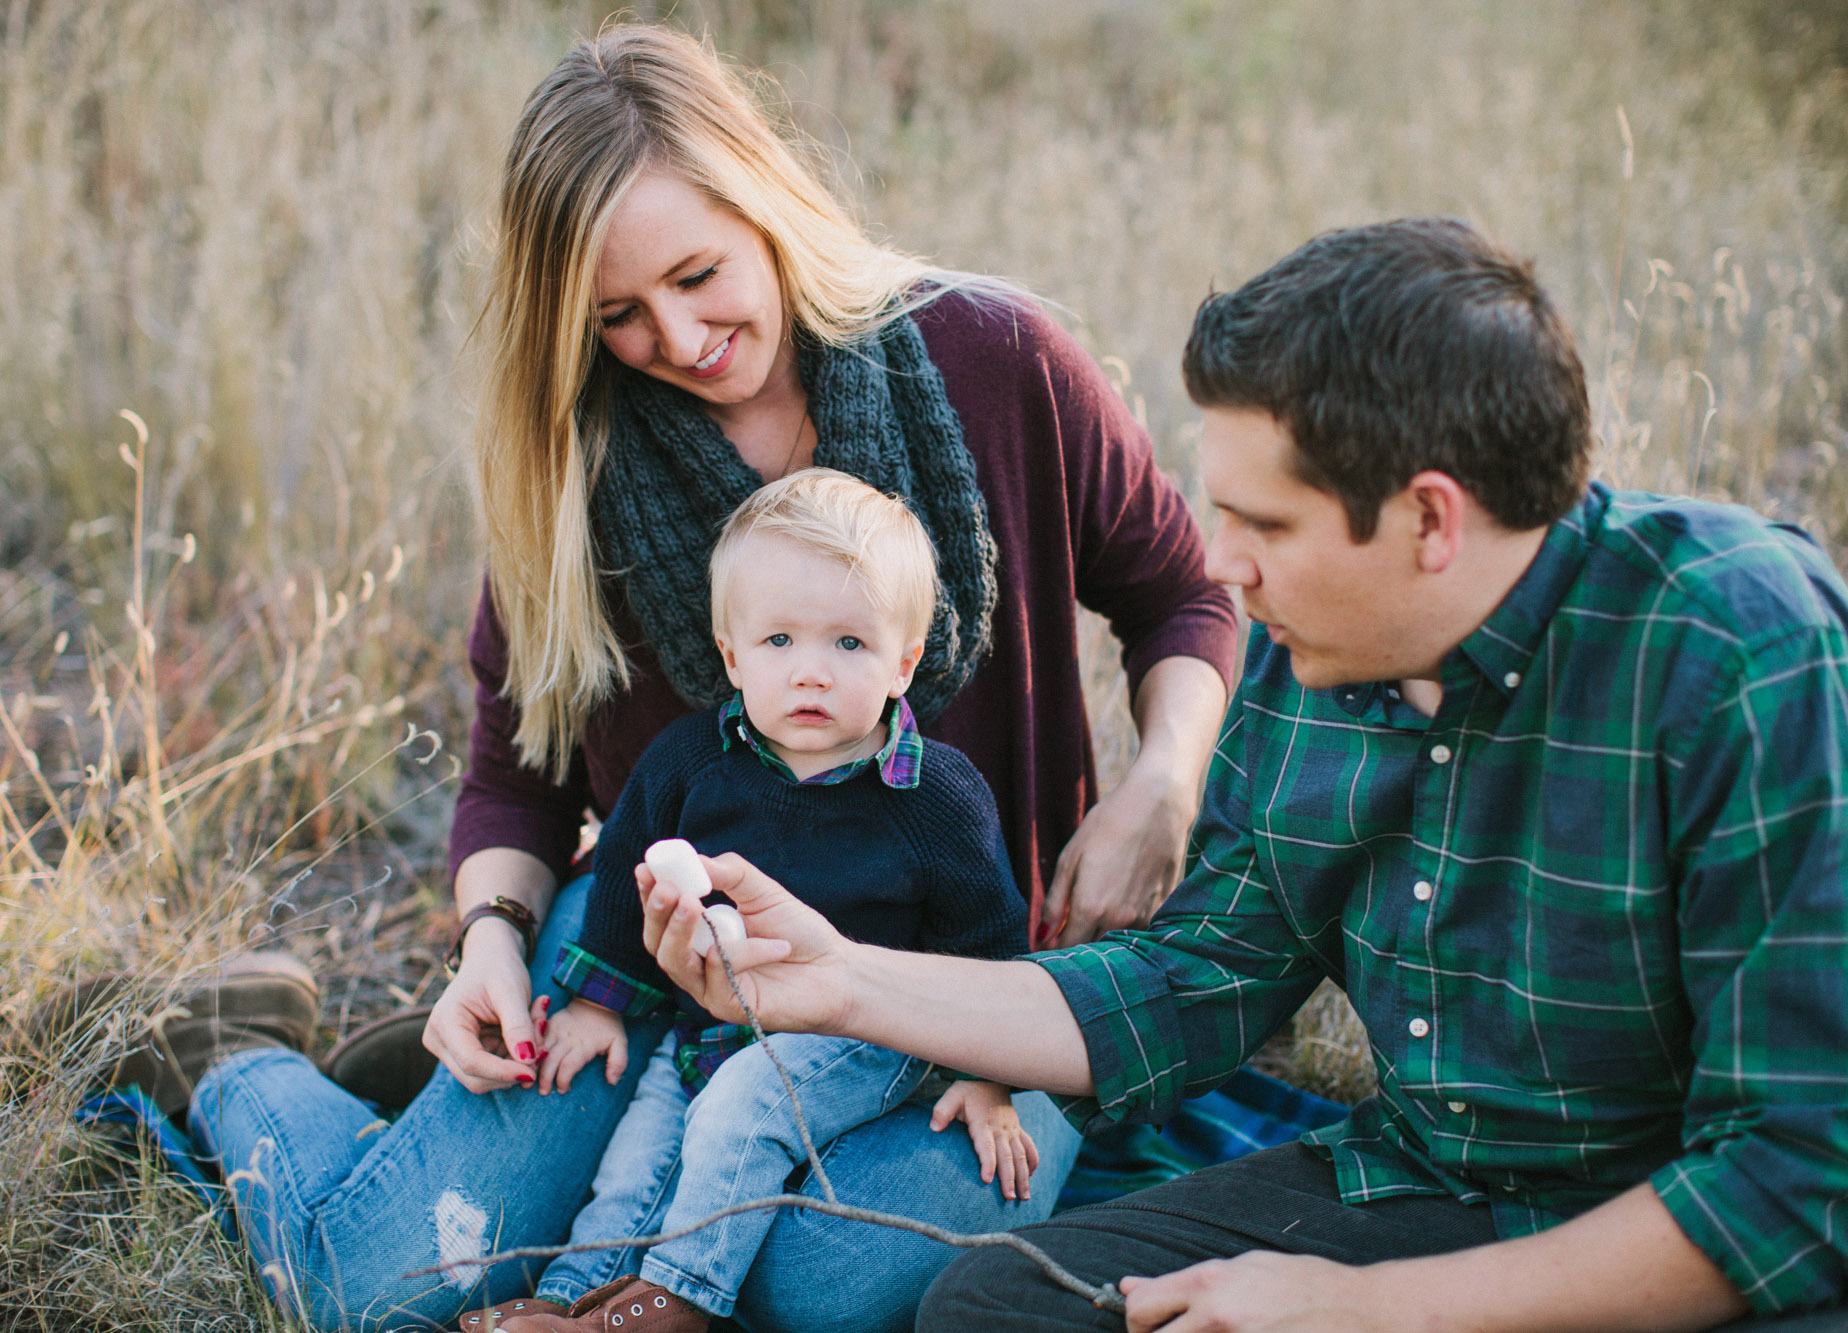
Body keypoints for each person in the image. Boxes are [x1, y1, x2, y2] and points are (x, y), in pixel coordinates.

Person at [176, 22, 1245, 1332]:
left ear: (765, 201)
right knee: (371, 1290)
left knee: (826, 1285)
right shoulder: (572, 463)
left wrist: (1163, 785)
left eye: (697, 274)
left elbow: (1182, 595)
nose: (678, 338)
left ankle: (487, 1151)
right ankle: (233, 1060)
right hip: (663, 981)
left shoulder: (996, 355)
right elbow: (513, 777)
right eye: (616, 314)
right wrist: (493, 945)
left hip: (977, 985)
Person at [637, 218, 1848, 1332]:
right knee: (998, 1304)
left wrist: (1368, 1312)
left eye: (1261, 526)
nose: (1221, 567)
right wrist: (843, 982)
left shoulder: (1736, 645)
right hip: (1425, 1186)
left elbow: (1792, 1177)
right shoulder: (1304, 661)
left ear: (1429, 520)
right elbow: (1192, 976)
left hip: (1682, 1237)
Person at [508, 469, 1040, 1332]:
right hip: (708, 1030)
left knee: (744, 1106)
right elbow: (622, 873)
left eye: (849, 645)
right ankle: (576, 1304)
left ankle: (679, 1299)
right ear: (732, 653)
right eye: (781, 640)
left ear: (904, 661)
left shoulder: (934, 797)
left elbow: (988, 936)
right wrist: (603, 1002)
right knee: (638, 1162)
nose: (811, 674)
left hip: (871, 1031)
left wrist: (987, 1075)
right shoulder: (690, 765)